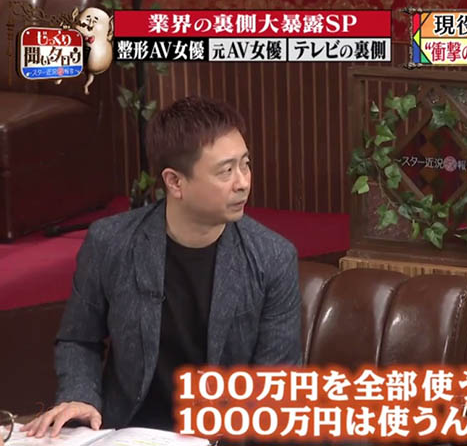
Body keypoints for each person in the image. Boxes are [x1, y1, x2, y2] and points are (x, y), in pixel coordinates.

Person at [22, 96, 302, 436]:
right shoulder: (111, 242)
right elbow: (79, 339)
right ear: (175, 182)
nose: (243, 182)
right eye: (226, 171)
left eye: (246, 164)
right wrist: (80, 397)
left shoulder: (272, 257)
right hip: (124, 432)